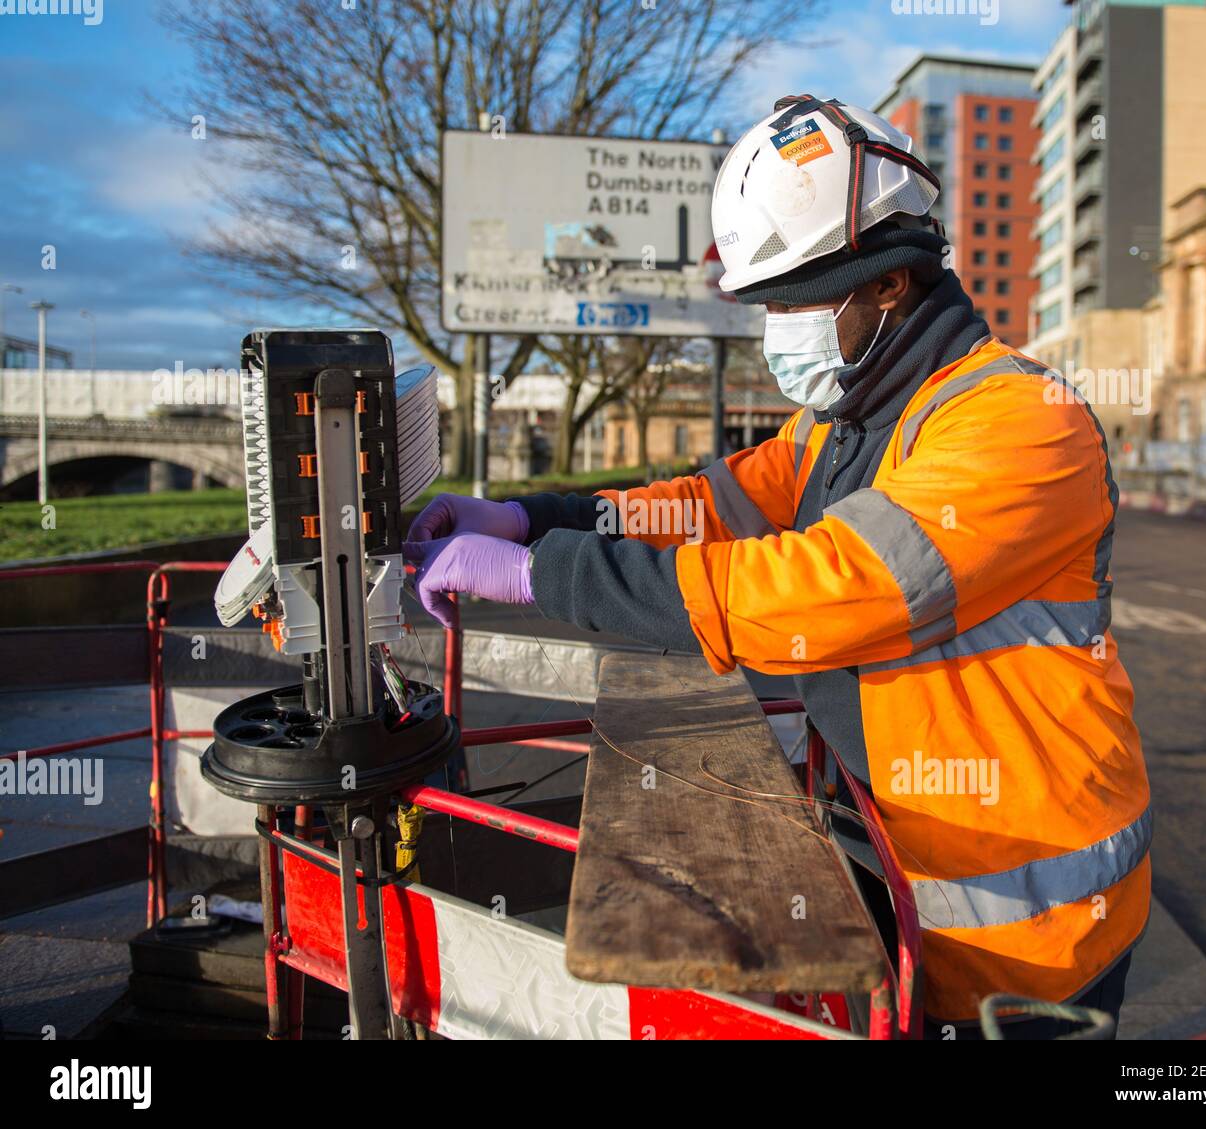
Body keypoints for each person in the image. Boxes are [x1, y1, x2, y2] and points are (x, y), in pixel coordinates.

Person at [404, 96, 1150, 1038]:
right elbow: (707, 509)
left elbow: (822, 588)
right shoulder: (847, 418)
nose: (776, 328)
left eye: (796, 298)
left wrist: (542, 574)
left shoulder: (1017, 423)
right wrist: (527, 516)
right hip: (909, 868)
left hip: (1030, 924)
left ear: (889, 285)